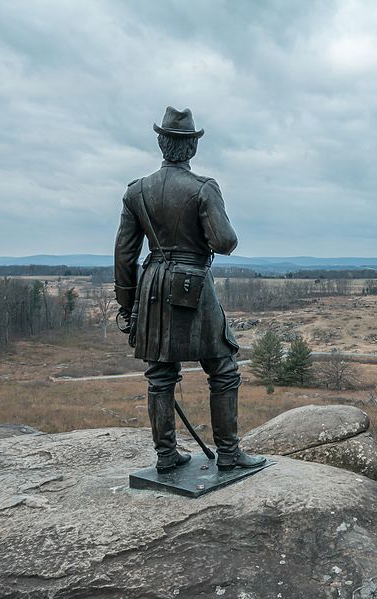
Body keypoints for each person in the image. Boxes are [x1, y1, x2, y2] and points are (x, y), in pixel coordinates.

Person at [114, 106, 265, 473]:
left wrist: (127, 305)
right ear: (191, 148)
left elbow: (124, 254)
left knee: (160, 374)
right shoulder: (203, 188)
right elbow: (226, 241)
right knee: (223, 367)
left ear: (161, 142)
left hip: (151, 286)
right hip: (193, 284)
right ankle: (228, 453)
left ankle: (166, 455)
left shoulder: (137, 192)